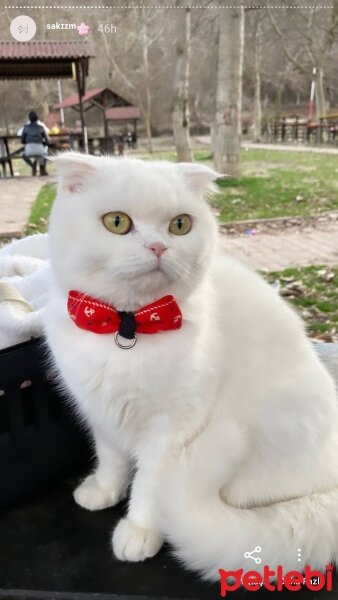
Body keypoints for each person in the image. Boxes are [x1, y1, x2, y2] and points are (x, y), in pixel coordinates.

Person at [20, 111, 50, 176]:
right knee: (45, 154)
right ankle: (43, 169)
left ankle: (32, 165)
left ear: (29, 119)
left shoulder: (26, 127)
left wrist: (28, 141)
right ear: (37, 118)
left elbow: (22, 140)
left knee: (23, 155)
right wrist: (42, 142)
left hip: (29, 149)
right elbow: (48, 142)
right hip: (39, 148)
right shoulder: (41, 127)